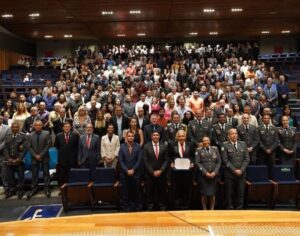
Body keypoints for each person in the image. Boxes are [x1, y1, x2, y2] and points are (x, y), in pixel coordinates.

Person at [222, 128, 250, 210]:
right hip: (230, 173)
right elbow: (225, 160)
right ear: (228, 136)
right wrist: (234, 170)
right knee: (229, 192)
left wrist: (241, 170)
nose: (234, 135)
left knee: (241, 191)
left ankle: (239, 207)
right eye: (232, 134)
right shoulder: (225, 145)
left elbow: (247, 159)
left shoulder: (243, 144)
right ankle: (230, 207)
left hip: (242, 173)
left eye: (236, 133)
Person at [143, 131, 169, 210]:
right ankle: (150, 207)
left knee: (162, 191)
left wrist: (161, 170)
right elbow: (145, 160)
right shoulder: (146, 146)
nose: (156, 136)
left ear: (159, 136)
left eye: (157, 135)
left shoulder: (164, 146)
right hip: (150, 174)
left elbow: (166, 160)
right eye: (154, 135)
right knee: (149, 192)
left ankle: (162, 207)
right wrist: (152, 171)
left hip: (161, 173)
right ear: (151, 136)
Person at [169, 130, 195, 209]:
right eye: (179, 136)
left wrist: (192, 163)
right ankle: (177, 205)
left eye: (183, 136)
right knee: (176, 188)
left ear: (185, 137)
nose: (181, 138)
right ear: (177, 137)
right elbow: (169, 157)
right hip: (176, 172)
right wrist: (171, 163)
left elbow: (193, 157)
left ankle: (186, 205)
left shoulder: (190, 145)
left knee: (187, 188)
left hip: (187, 171)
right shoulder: (172, 145)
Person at [27, 120, 52, 199]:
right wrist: (35, 155)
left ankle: (47, 188)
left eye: (39, 125)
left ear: (42, 126)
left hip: (44, 157)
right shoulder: (30, 135)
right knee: (35, 174)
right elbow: (29, 147)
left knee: (46, 173)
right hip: (34, 158)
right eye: (36, 125)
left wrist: (40, 155)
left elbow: (48, 145)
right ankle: (34, 188)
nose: (38, 126)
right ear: (34, 126)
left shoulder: (46, 133)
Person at [118, 131, 143, 211]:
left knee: (136, 191)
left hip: (135, 173)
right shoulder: (122, 147)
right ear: (126, 137)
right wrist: (126, 170)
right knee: (125, 191)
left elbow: (139, 160)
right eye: (129, 136)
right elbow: (120, 161)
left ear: (134, 137)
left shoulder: (138, 146)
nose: (131, 137)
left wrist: (133, 170)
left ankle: (137, 206)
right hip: (124, 174)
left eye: (132, 136)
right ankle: (126, 206)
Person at [195, 136, 221, 210]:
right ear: (202, 142)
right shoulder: (199, 150)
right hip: (204, 176)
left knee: (212, 193)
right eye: (204, 141)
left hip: (213, 175)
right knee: (204, 194)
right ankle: (204, 209)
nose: (206, 142)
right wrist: (205, 173)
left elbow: (219, 162)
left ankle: (212, 209)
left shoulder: (215, 149)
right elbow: (197, 163)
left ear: (210, 141)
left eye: (207, 140)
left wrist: (214, 172)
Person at [3, 122, 27, 199]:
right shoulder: (8, 136)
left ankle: (20, 190)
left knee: (20, 176)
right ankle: (12, 189)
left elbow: (25, 149)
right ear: (11, 128)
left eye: (16, 127)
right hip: (9, 160)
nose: (15, 129)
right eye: (13, 127)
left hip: (19, 160)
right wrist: (8, 158)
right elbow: (5, 148)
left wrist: (19, 159)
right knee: (10, 176)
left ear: (19, 128)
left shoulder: (23, 136)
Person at [54, 121, 80, 187]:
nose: (67, 128)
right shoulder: (58, 135)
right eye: (65, 127)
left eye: (68, 127)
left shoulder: (75, 135)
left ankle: (72, 189)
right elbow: (56, 146)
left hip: (72, 159)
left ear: (71, 127)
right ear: (63, 128)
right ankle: (63, 190)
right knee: (62, 176)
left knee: (72, 175)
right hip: (62, 159)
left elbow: (78, 147)